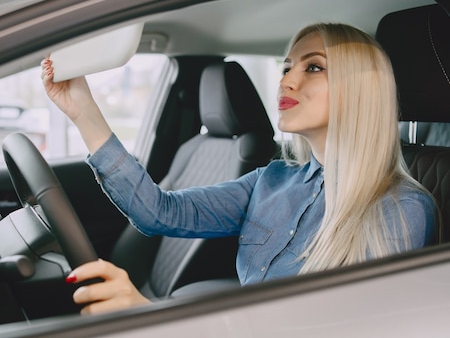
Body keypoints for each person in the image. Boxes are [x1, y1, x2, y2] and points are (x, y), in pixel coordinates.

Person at [41, 23, 437, 315]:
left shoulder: (401, 208)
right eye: (285, 68)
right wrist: (84, 112)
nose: (287, 81)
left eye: (313, 68)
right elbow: (159, 211)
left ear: (361, 89)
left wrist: (148, 316)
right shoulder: (271, 179)